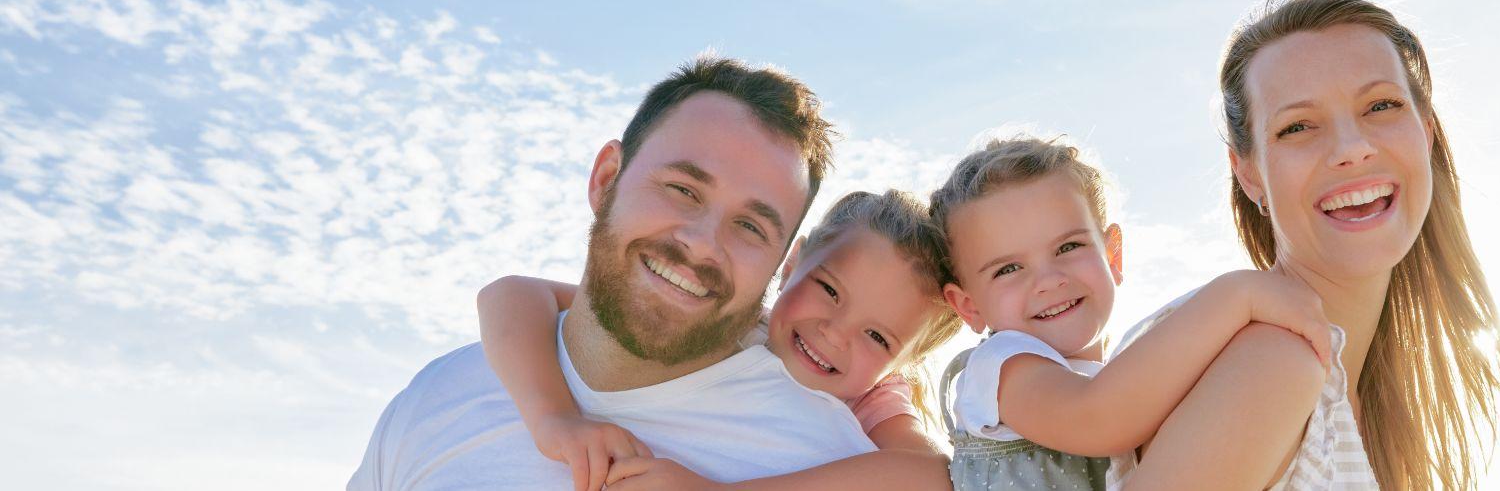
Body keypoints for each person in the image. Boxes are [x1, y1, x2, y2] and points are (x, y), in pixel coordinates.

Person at [348, 56, 877, 490]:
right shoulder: (442, 396)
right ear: (606, 180)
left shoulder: (821, 457)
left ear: (780, 264)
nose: (702, 244)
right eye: (683, 190)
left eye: (750, 227)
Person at [1115, 0, 1500, 490]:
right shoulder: (1274, 366)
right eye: (1297, 126)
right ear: (1250, 175)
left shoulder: (1357, 393)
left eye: (1381, 105)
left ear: (1426, 133)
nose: (1352, 149)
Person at [474, 190, 962, 491]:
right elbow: (512, 293)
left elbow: (934, 476)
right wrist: (553, 418)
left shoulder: (874, 397)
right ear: (791, 265)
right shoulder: (730, 319)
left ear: (904, 361)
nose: (835, 332)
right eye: (829, 290)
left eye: (878, 337)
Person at [928, 136, 1334, 491]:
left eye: (1068, 248)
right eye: (1008, 270)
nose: (1048, 280)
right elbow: (1097, 418)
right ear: (969, 306)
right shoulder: (1000, 367)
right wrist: (1237, 295)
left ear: (1113, 254)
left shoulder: (1120, 380)